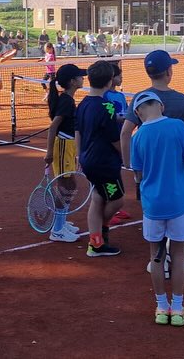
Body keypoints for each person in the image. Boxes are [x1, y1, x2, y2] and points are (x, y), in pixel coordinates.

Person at [129, 91, 184, 327]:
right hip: (180, 201)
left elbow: (138, 174)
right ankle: (177, 308)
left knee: (156, 256)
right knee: (178, 254)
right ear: (160, 106)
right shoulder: (179, 127)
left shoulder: (137, 137)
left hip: (153, 205)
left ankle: (161, 307)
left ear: (138, 113)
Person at [76, 60, 125, 257]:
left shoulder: (83, 104)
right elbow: (114, 138)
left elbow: (78, 131)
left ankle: (96, 242)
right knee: (117, 200)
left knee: (98, 197)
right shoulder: (108, 106)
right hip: (104, 162)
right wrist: (127, 157)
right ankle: (100, 233)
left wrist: (80, 154)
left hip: (89, 159)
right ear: (109, 81)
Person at [44, 63, 85, 243]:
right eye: (79, 76)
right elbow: (53, 127)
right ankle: (57, 229)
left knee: (70, 185)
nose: (82, 78)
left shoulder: (68, 99)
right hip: (62, 147)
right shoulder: (66, 101)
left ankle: (61, 221)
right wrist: (49, 152)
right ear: (72, 81)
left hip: (68, 146)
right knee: (65, 187)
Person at [103, 62, 131, 225]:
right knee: (109, 174)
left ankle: (115, 205)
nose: (121, 78)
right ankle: (109, 206)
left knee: (116, 171)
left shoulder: (120, 96)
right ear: (111, 78)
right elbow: (108, 117)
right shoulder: (105, 96)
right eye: (119, 76)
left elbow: (125, 112)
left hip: (120, 137)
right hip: (110, 140)